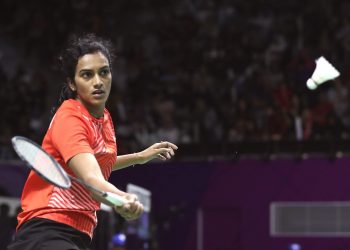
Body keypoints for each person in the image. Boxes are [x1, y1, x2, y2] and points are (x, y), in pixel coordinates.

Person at [7, 33, 178, 250]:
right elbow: (91, 178)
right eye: (87, 75)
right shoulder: (70, 118)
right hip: (47, 228)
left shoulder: (104, 117)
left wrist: (139, 157)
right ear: (72, 83)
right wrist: (123, 198)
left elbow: (95, 162)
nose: (98, 82)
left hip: (78, 234)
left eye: (103, 72)